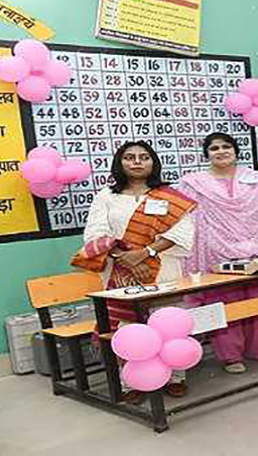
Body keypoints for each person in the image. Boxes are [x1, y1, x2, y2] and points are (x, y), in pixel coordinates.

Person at [71, 141, 196, 401]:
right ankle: (130, 382)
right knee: (127, 328)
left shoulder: (170, 196)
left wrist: (146, 253)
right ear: (120, 162)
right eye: (130, 157)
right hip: (120, 271)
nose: (137, 161)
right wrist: (125, 258)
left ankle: (176, 376)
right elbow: (96, 233)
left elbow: (182, 232)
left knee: (168, 320)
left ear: (153, 162)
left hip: (164, 269)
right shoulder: (107, 196)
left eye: (144, 157)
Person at [178, 132, 258, 374]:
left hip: (257, 249)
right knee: (225, 304)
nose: (221, 151)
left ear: (236, 151)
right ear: (206, 154)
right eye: (214, 148)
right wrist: (218, 246)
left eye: (226, 146)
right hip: (216, 252)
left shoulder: (254, 179)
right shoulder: (195, 183)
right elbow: (194, 222)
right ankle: (230, 357)